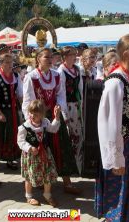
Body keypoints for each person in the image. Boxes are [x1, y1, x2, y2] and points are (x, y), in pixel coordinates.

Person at [95, 34, 129, 220]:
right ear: (127, 54)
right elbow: (108, 124)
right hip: (122, 149)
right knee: (119, 196)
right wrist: (115, 159)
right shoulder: (115, 82)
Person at [22, 48, 80, 195]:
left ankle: (67, 182)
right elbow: (27, 100)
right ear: (38, 59)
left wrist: (60, 111)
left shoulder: (56, 75)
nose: (50, 60)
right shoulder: (31, 77)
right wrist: (30, 121)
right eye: (46, 57)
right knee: (42, 150)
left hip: (54, 116)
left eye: (51, 57)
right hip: (39, 118)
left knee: (63, 147)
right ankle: (42, 182)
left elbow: (61, 95)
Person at [18, 100, 61, 207]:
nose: (32, 115)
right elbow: (20, 141)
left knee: (48, 174)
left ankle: (47, 194)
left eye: (36, 114)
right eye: (31, 113)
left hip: (45, 154)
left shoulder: (45, 123)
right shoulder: (25, 127)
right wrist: (29, 148)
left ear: (42, 115)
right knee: (29, 176)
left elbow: (54, 129)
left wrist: (57, 118)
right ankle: (28, 196)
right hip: (32, 156)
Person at [0, 54, 23, 170]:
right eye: (7, 62)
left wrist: (22, 109)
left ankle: (10, 158)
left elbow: (20, 95)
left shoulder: (16, 76)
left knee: (12, 134)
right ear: (1, 64)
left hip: (12, 111)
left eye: (11, 62)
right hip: (0, 110)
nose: (9, 65)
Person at [58, 46, 84, 174]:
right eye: (72, 55)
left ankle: (78, 163)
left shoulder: (77, 69)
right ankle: (70, 165)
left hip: (77, 106)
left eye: (75, 54)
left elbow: (80, 90)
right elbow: (61, 93)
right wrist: (64, 113)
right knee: (70, 136)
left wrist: (82, 104)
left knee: (78, 135)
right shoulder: (61, 71)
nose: (75, 56)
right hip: (67, 107)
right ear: (64, 57)